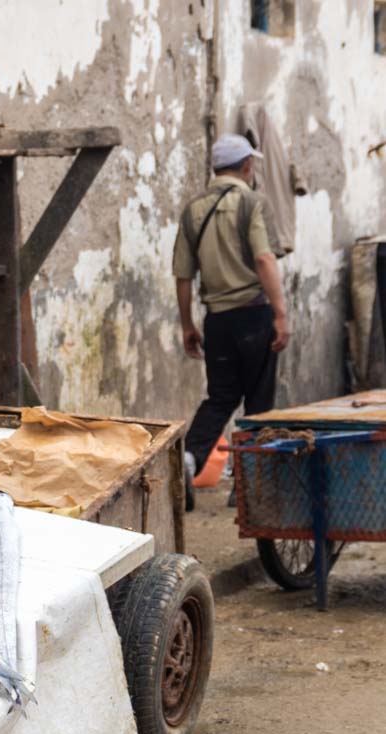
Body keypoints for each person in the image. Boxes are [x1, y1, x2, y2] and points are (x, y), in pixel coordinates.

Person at [173, 133, 291, 509]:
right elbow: (264, 259)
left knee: (221, 397)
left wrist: (187, 324)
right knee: (259, 400)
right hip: (255, 315)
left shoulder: (193, 209)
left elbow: (182, 274)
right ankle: (248, 482)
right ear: (246, 166)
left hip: (217, 321)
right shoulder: (252, 202)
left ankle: (188, 463)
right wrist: (281, 313)